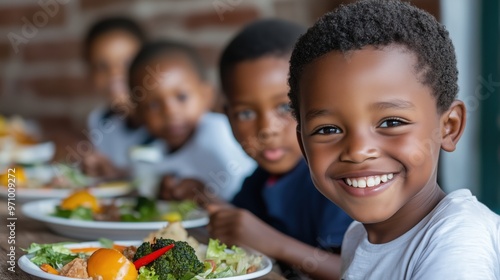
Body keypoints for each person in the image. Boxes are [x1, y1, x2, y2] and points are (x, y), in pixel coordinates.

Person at [287, 0, 500, 279]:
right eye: (327, 130)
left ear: (448, 127)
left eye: (391, 122)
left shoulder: (458, 241)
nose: (359, 151)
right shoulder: (357, 235)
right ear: (303, 144)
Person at [207, 19, 353, 279]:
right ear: (227, 117)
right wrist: (212, 207)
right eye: (246, 113)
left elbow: (355, 271)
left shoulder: (340, 180)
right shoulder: (257, 182)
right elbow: (237, 234)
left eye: (285, 108)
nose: (267, 129)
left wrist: (274, 243)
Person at [127, 40, 256, 202]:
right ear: (138, 112)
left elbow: (241, 204)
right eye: (153, 104)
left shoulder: (217, 134)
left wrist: (205, 195)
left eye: (182, 97)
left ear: (206, 95)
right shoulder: (154, 149)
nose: (170, 112)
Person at [81, 16, 149, 178]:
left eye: (127, 63)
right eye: (102, 66)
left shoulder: (167, 119)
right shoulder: (99, 120)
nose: (114, 74)